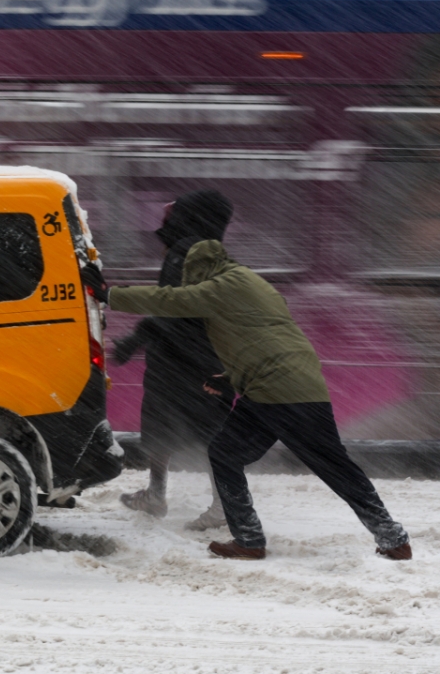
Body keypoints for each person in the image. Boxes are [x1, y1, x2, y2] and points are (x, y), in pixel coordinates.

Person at [95, 240, 412, 561]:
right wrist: (231, 377)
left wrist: (109, 294)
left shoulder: (221, 285)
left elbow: (169, 300)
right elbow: (263, 338)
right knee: (224, 453)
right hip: (279, 386)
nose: (192, 285)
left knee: (332, 466)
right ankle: (248, 540)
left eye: (192, 278)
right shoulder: (252, 284)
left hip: (281, 393)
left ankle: (391, 536)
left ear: (199, 271)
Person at [112, 191, 235, 530]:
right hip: (206, 359)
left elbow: (171, 307)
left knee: (173, 430)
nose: (164, 223)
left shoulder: (184, 254)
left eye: (173, 216)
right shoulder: (213, 252)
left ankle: (205, 503)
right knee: (205, 431)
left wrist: (134, 340)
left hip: (179, 361)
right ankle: (200, 499)